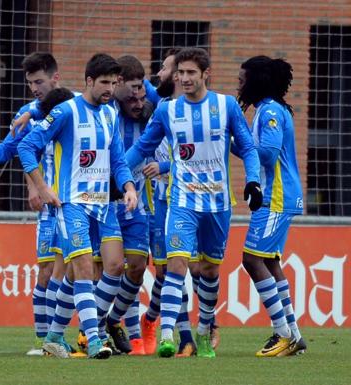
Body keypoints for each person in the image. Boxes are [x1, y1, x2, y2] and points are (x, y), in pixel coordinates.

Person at [125, 47, 263, 358]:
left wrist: (253, 180)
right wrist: (118, 175)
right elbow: (141, 148)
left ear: (205, 75)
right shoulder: (167, 111)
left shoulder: (226, 106)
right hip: (181, 201)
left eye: (190, 73)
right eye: (180, 73)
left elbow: (248, 149)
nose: (184, 78)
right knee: (176, 265)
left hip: (217, 205)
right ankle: (167, 334)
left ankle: (204, 330)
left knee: (209, 272)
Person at [18, 53, 137, 359]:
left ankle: (55, 335)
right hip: (72, 204)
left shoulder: (111, 114)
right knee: (83, 267)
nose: (110, 88)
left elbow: (118, 159)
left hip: (104, 204)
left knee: (112, 266)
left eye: (113, 82)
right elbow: (26, 146)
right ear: (88, 81)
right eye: (104, 82)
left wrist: (128, 186)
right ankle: (94, 339)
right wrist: (43, 187)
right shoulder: (66, 111)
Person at [0, 52, 73, 355]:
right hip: (51, 208)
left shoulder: (75, 106)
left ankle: (78, 335)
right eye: (30, 83)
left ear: (55, 78)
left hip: (78, 202)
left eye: (39, 81)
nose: (34, 88)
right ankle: (44, 341)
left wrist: (37, 111)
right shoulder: (26, 111)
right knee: (46, 272)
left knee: (81, 271)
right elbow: (7, 150)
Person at [139, 47, 213, 357]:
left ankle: (187, 325)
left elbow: (191, 154)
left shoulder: (199, 108)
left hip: (194, 197)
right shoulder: (163, 107)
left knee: (193, 266)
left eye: (167, 69)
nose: (165, 73)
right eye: (174, 70)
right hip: (161, 200)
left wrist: (166, 167)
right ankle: (180, 333)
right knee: (170, 268)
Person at [236, 55, 306, 357]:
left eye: (243, 79)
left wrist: (236, 141)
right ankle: (295, 335)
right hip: (279, 196)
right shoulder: (268, 108)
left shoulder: (270, 112)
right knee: (271, 262)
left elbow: (268, 153)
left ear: (257, 81)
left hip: (276, 196)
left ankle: (282, 333)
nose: (240, 84)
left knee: (252, 260)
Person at [102, 55, 152, 356]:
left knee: (137, 267)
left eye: (142, 90)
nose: (138, 96)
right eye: (133, 89)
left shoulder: (149, 112)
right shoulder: (103, 111)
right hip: (104, 204)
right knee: (105, 268)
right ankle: (86, 333)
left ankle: (113, 319)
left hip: (137, 206)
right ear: (118, 83)